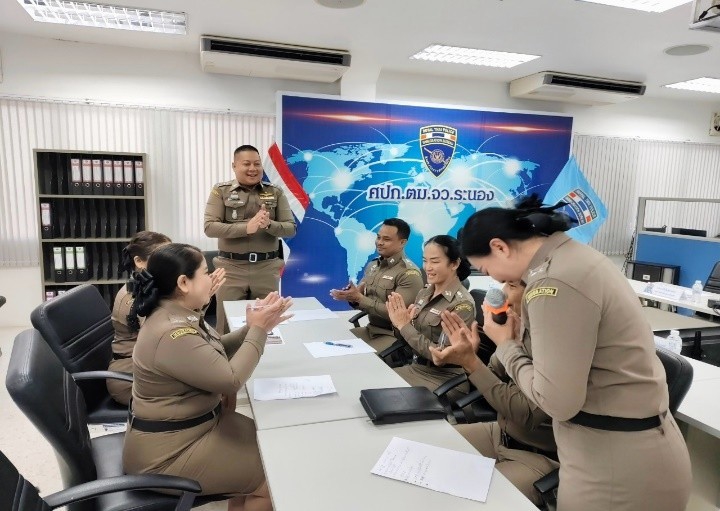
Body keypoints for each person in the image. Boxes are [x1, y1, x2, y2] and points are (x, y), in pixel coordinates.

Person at [432, 195, 691, 511]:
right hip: (617, 447)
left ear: (500, 247)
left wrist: (507, 345)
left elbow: (556, 401)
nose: (496, 280)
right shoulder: (573, 259)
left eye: (487, 269)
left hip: (614, 461)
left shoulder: (553, 282)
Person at [123, 243, 292, 511]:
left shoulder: (176, 313)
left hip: (191, 428)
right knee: (275, 478)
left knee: (271, 447)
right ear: (183, 283)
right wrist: (259, 331)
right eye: (205, 272)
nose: (212, 277)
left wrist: (251, 328)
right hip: (169, 452)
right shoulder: (172, 332)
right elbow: (230, 379)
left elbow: (212, 353)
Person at [440, 280, 558, 506]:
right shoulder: (521, 329)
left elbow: (526, 413)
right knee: (432, 444)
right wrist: (471, 353)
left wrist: (473, 362)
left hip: (536, 455)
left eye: (512, 285)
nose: (503, 293)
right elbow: (493, 374)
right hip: (501, 433)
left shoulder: (555, 344)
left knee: (462, 502)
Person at [205, 144, 297, 334]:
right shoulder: (221, 191)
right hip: (231, 268)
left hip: (266, 268)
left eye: (257, 164)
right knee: (226, 327)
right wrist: (247, 228)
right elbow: (210, 227)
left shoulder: (275, 192)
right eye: (246, 164)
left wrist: (269, 224)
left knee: (268, 326)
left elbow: (290, 228)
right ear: (234, 166)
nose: (253, 169)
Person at [386, 235, 474, 398]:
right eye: (425, 261)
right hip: (416, 367)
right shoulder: (424, 293)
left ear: (454, 264)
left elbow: (441, 356)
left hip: (444, 380)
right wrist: (399, 323)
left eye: (434, 261)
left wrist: (405, 326)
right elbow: (407, 343)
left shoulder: (462, 305)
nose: (427, 267)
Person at [330, 218, 424, 351]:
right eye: (378, 237)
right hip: (371, 329)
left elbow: (397, 315)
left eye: (386, 239)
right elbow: (362, 300)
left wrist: (360, 298)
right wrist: (351, 297)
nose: (379, 242)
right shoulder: (373, 266)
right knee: (333, 345)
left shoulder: (409, 274)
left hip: (395, 337)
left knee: (355, 357)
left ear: (402, 242)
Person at [107, 231, 172, 405]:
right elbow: (163, 337)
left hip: (148, 368)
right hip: (129, 378)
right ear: (139, 261)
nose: (170, 264)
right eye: (162, 259)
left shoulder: (151, 289)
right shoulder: (132, 298)